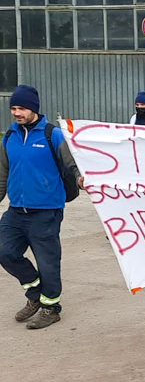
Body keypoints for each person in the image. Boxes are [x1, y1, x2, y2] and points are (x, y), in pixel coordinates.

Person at [0, 85, 82, 330]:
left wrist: (80, 178)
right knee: (5, 252)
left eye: (21, 108)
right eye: (13, 108)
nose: (16, 112)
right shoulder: (9, 136)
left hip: (46, 211)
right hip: (16, 211)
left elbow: (72, 164)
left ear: (33, 109)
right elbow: (3, 173)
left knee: (48, 262)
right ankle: (35, 293)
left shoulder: (52, 134)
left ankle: (51, 308)